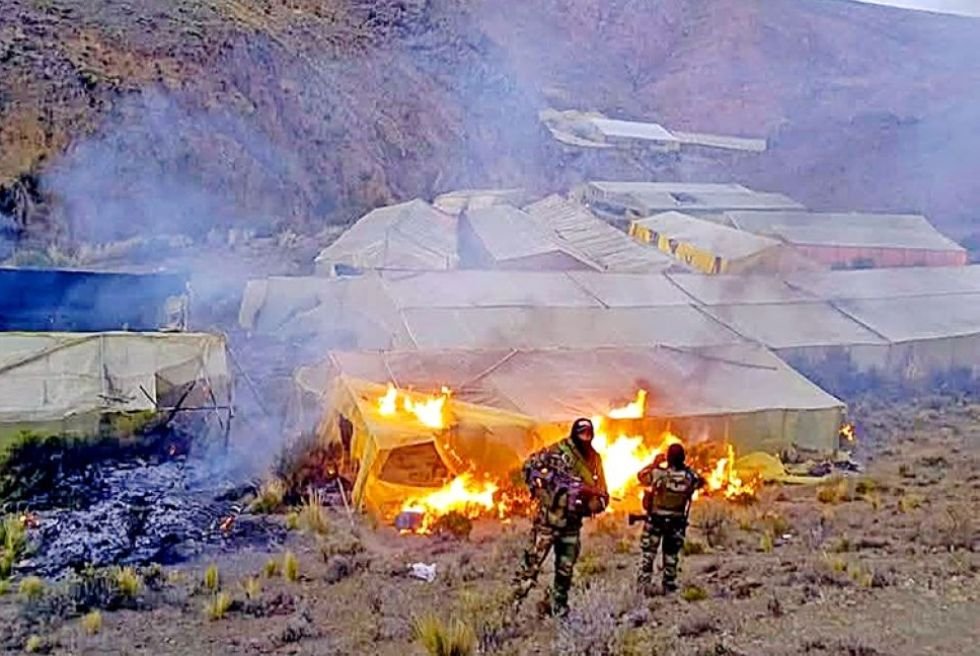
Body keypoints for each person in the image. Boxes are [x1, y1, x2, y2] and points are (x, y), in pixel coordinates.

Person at [512, 417, 609, 616]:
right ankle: (512, 608)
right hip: (548, 522)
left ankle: (560, 608)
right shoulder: (557, 451)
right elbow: (528, 466)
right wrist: (543, 492)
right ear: (574, 433)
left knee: (565, 570)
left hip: (572, 524)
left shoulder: (595, 459)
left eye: (588, 434)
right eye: (582, 433)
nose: (585, 437)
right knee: (531, 567)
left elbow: (603, 493)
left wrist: (592, 505)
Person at [636, 442, 704, 595]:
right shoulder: (689, 476)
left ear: (668, 458)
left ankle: (643, 586)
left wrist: (654, 463)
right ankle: (669, 584)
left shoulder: (658, 474)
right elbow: (700, 482)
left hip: (655, 520)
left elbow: (641, 476)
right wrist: (685, 468)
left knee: (648, 554)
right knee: (671, 555)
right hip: (676, 522)